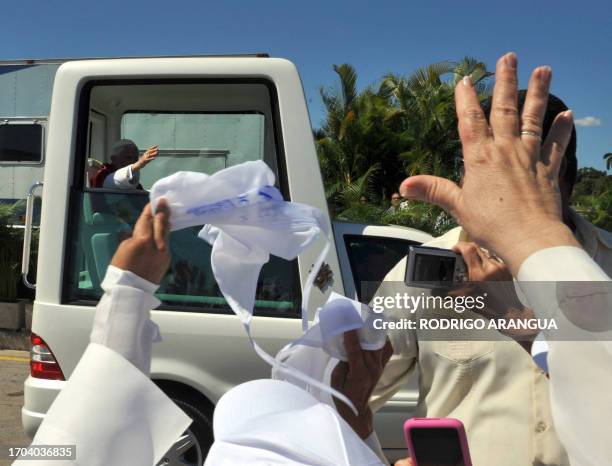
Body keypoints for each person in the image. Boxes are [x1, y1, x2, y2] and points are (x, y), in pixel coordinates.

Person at [371, 91, 611, 465]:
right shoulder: (420, 273)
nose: (502, 191)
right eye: (485, 169)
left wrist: (522, 323)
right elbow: (346, 398)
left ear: (568, 175)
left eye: (524, 171)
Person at [92, 139, 158, 189]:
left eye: (136, 159)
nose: (133, 162)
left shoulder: (135, 183)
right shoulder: (102, 175)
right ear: (114, 159)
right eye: (128, 158)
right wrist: (140, 163)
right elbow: (113, 180)